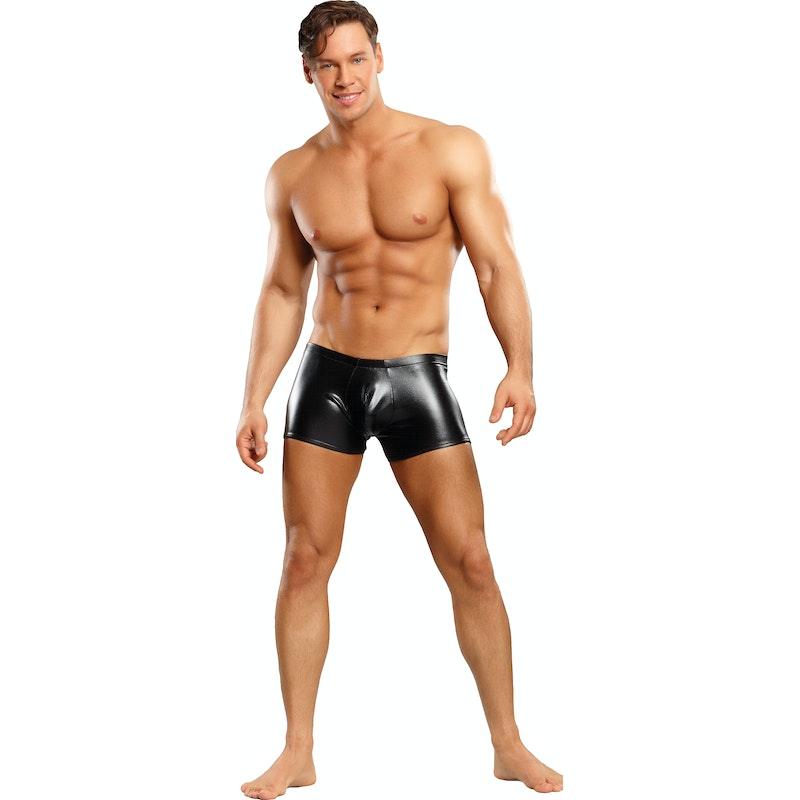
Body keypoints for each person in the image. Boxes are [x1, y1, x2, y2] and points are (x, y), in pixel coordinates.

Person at [235, 2, 563, 796]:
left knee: (471, 559)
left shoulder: (449, 148)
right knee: (304, 559)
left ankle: (508, 743)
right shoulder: (294, 172)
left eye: (356, 59)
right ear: (307, 73)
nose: (344, 77)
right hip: (328, 377)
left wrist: (520, 367)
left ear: (379, 57)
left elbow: (495, 264)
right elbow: (283, 289)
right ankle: (298, 750)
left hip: (418, 375)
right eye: (327, 65)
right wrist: (254, 398)